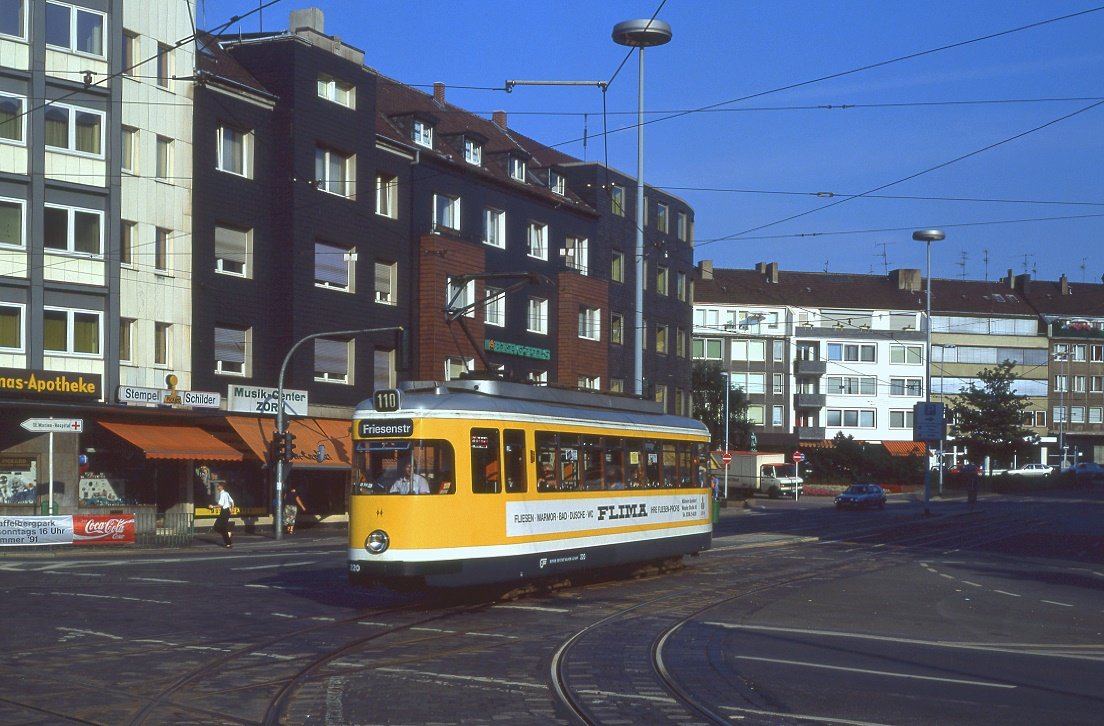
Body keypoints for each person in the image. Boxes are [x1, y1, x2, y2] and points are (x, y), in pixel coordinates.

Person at [212, 482, 235, 548]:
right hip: (226, 511)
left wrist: (212, 506)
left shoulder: (222, 494)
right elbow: (232, 501)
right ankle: (228, 538)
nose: (217, 488)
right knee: (221, 527)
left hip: (224, 511)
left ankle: (228, 542)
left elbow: (220, 505)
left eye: (218, 486)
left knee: (217, 527)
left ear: (221, 487)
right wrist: (231, 510)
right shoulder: (226, 493)